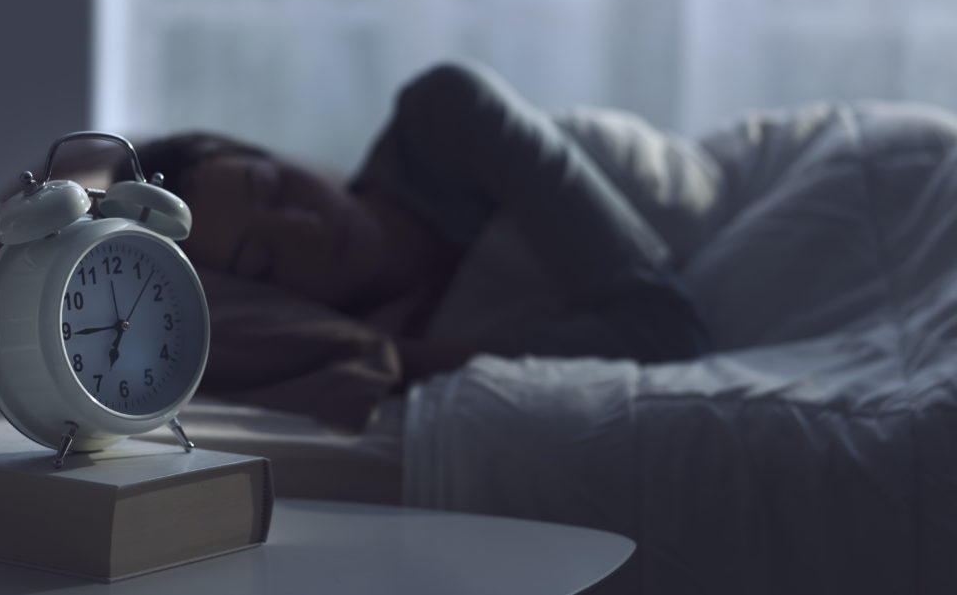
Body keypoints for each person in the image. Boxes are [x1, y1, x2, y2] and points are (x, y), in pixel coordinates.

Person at [117, 61, 710, 391]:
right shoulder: (357, 339)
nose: (304, 226)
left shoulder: (444, 115)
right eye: (265, 259)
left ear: (275, 155)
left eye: (273, 187)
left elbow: (667, 329)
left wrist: (421, 357)